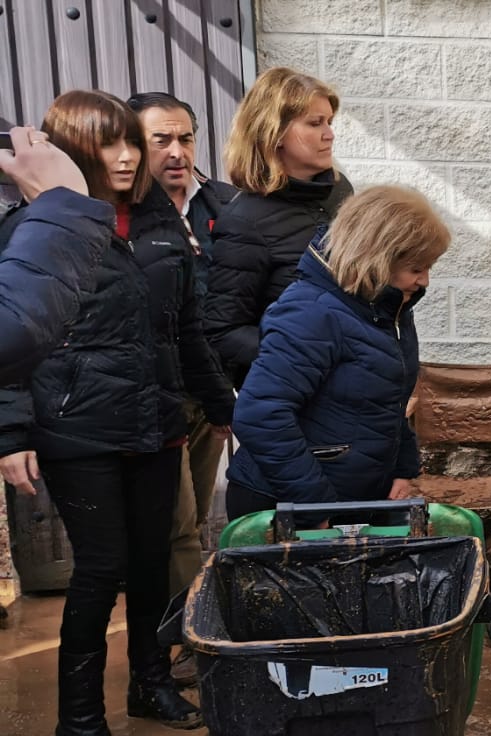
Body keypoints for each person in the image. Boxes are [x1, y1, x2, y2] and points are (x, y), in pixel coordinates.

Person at [0, 90, 214, 735]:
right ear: (68, 154)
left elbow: (187, 329)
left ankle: (150, 686)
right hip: (77, 428)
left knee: (152, 559)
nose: (126, 157)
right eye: (107, 145)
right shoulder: (33, 229)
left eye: (131, 142)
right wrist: (10, 432)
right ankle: (82, 717)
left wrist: (223, 406)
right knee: (99, 570)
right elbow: (13, 338)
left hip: (155, 422)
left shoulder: (158, 227)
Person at [224, 185, 446, 518]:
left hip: (347, 503)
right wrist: (317, 508)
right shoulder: (310, 312)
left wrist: (402, 469)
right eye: (416, 268)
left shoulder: (389, 310)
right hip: (283, 506)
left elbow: (387, 401)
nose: (425, 281)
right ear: (378, 257)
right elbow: (260, 414)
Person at [127, 92, 240, 682]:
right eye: (160, 140)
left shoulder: (222, 206)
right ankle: (197, 642)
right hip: (158, 396)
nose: (176, 152)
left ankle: (188, 633)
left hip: (212, 390)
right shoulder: (121, 216)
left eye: (186, 138)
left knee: (193, 524)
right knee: (174, 524)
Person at [205, 66, 351, 387]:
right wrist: (299, 353)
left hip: (351, 387)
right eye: (315, 123)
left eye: (329, 122)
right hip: (291, 396)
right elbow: (223, 330)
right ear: (275, 132)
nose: (329, 134)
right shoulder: (244, 220)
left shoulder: (341, 192)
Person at [0, 125, 114, 384]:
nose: (125, 156)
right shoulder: (27, 226)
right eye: (108, 143)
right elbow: (13, 330)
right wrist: (63, 209)